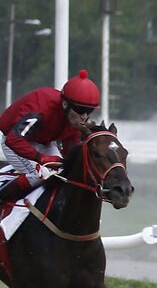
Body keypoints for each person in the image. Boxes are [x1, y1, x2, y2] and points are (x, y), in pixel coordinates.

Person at [0, 70, 101, 207]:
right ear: (65, 104)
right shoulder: (41, 109)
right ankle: (2, 199)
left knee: (63, 173)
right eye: (80, 110)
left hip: (44, 142)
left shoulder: (73, 119)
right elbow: (13, 139)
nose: (84, 117)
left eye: (89, 111)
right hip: (13, 141)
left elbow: (70, 151)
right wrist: (41, 158)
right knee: (40, 174)